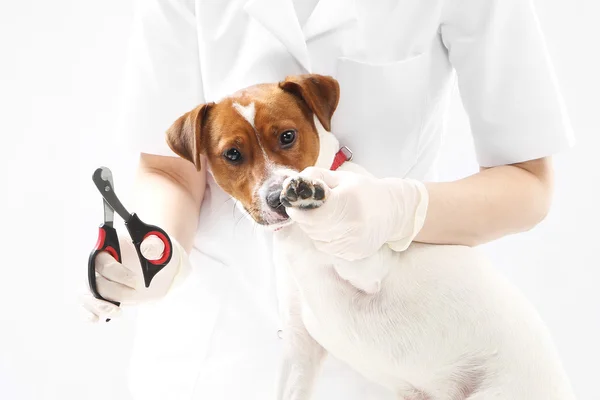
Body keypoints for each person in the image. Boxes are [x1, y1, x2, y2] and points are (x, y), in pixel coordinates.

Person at [81, 0, 574, 399]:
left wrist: (400, 210)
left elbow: (527, 180)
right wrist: (153, 248)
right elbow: (170, 168)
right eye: (234, 155)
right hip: (214, 355)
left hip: (400, 364)